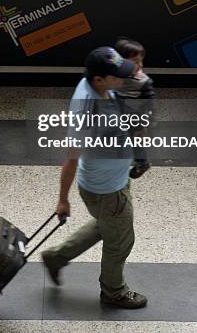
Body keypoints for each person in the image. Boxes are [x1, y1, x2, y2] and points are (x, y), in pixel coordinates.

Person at [41, 46, 148, 310]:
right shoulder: (85, 113)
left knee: (108, 225)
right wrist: (62, 201)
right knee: (120, 240)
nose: (123, 78)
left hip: (113, 182)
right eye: (117, 75)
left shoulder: (96, 84)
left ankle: (56, 257)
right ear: (99, 79)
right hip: (107, 190)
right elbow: (71, 159)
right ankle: (113, 291)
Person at [114, 37, 154, 178]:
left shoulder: (143, 81)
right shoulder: (113, 75)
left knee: (136, 141)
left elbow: (149, 104)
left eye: (141, 61)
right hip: (116, 111)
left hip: (134, 116)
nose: (140, 65)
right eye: (135, 62)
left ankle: (142, 163)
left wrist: (146, 124)